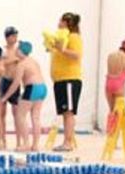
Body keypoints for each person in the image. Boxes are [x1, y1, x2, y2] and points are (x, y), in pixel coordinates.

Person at [0, 41, 47, 151]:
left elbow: (16, 84)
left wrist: (5, 97)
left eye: (17, 48)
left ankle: (25, 144)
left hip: (32, 88)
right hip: (42, 88)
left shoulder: (22, 64)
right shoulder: (34, 61)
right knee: (36, 117)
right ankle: (35, 145)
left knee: (20, 116)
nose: (15, 50)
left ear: (21, 51)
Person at [49, 12, 84, 151]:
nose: (58, 23)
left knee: (68, 112)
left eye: (61, 20)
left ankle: (68, 142)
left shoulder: (74, 37)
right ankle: (66, 141)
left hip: (70, 79)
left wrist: (61, 49)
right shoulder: (62, 37)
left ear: (67, 23)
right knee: (64, 112)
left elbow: (77, 55)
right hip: (60, 79)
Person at [0, 27, 22, 150]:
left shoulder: (19, 50)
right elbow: (0, 64)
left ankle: (19, 141)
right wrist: (13, 60)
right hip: (4, 82)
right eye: (13, 36)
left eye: (16, 35)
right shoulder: (3, 51)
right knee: (1, 114)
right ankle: (2, 140)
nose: (15, 38)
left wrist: (13, 60)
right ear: (8, 37)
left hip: (15, 83)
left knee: (17, 114)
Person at [105, 38, 125, 115]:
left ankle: (110, 127)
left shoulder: (110, 55)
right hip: (119, 85)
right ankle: (118, 127)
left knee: (111, 111)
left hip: (108, 84)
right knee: (118, 112)